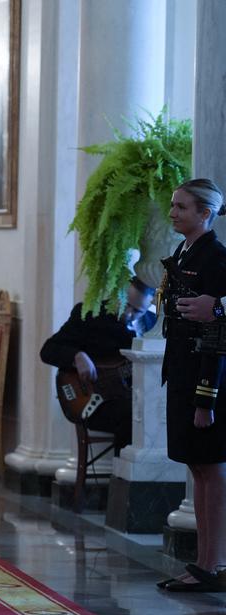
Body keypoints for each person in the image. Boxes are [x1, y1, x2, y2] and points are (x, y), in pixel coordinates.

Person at [156, 178, 226, 593]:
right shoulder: (184, 254)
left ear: (205, 213)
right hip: (181, 368)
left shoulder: (215, 259)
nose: (173, 212)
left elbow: (218, 334)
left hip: (206, 375)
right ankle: (202, 561)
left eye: (182, 207)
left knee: (211, 467)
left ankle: (212, 563)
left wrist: (207, 397)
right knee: (196, 467)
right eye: (173, 204)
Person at [40, 277, 156, 446]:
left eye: (137, 310)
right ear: (117, 294)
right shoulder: (89, 313)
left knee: (155, 412)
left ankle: (152, 471)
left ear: (148, 307)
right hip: (96, 402)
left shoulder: (154, 324)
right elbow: (48, 350)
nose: (128, 313)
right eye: (125, 304)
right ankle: (123, 473)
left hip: (137, 397)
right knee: (133, 415)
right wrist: (77, 356)